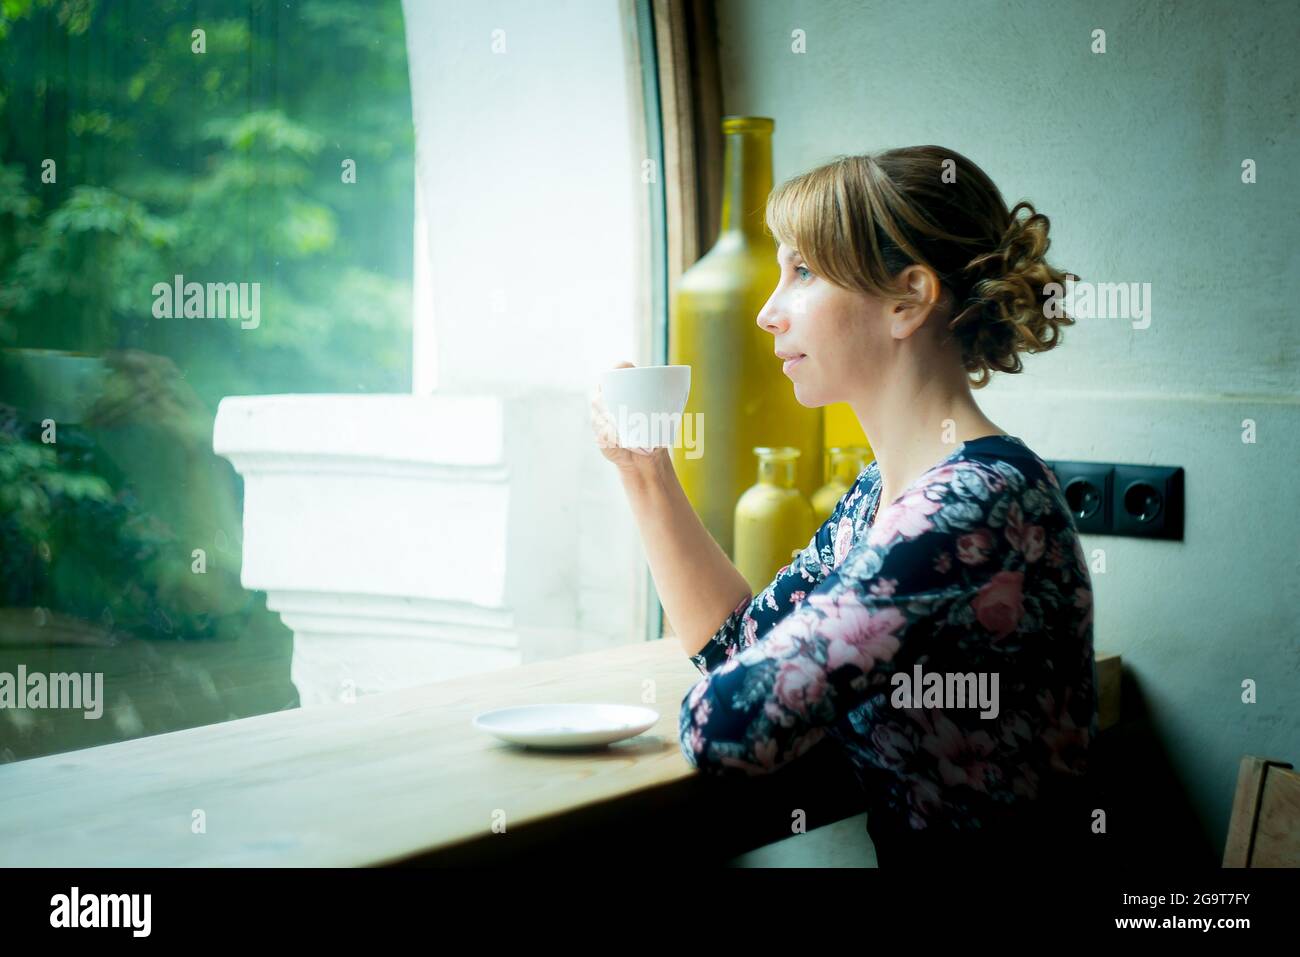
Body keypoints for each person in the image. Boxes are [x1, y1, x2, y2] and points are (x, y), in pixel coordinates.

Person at [590, 146, 1097, 868]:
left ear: (908, 300)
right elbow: (738, 646)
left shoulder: (973, 507)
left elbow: (727, 727)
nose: (769, 313)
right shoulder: (885, 495)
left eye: (802, 272)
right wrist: (645, 472)